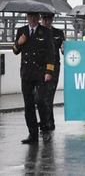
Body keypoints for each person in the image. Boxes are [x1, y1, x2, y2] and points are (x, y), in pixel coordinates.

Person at [12, 12, 56, 144]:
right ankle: (32, 134)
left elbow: (50, 53)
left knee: (42, 101)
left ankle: (45, 129)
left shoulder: (45, 32)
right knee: (29, 105)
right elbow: (15, 50)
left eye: (35, 16)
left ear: (38, 18)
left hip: (41, 73)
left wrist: (49, 71)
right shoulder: (22, 31)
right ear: (27, 17)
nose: (33, 18)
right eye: (31, 16)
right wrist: (19, 43)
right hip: (26, 73)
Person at [40, 13, 65, 131]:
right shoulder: (38, 32)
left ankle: (48, 122)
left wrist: (64, 47)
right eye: (44, 19)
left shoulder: (58, 33)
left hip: (54, 67)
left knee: (49, 95)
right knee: (40, 96)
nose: (45, 21)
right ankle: (45, 120)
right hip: (39, 67)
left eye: (47, 19)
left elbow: (65, 51)